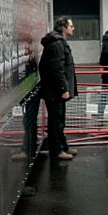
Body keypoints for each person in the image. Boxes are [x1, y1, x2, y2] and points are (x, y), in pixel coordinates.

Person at [38, 16, 77, 161]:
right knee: (56, 121)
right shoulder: (57, 45)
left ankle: (63, 146)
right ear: (64, 28)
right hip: (55, 91)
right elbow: (57, 69)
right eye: (71, 26)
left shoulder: (57, 43)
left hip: (53, 90)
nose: (73, 28)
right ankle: (57, 150)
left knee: (59, 119)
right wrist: (63, 89)